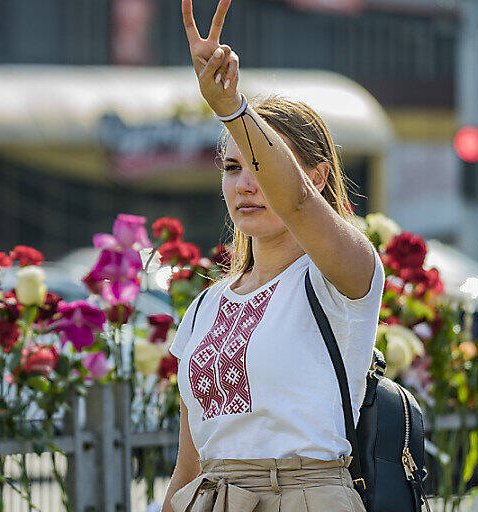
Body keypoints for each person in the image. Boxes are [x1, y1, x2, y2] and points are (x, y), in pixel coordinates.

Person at [161, 1, 383, 511]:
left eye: (261, 165)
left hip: (305, 495)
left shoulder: (341, 278)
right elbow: (189, 465)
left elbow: (298, 202)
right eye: (232, 166)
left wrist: (232, 108)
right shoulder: (205, 308)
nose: (245, 184)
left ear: (318, 176)